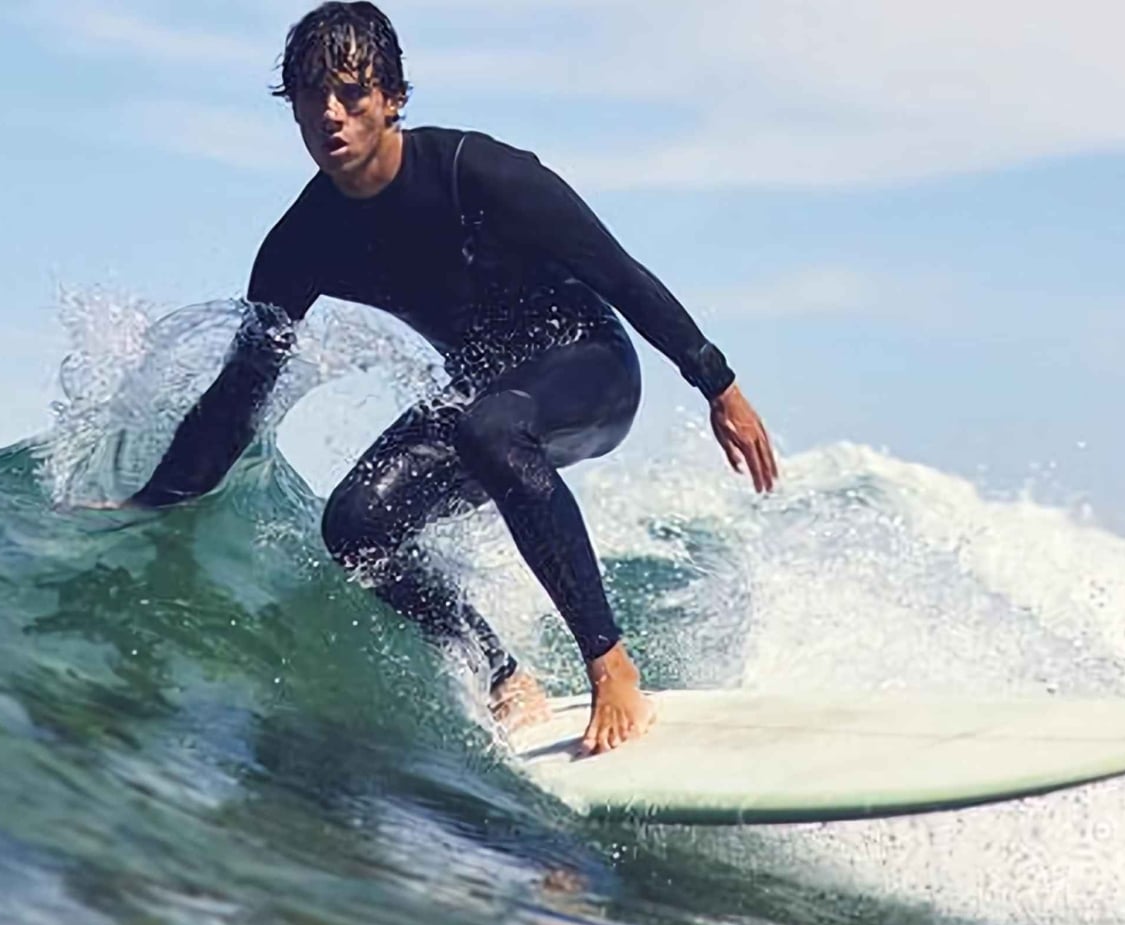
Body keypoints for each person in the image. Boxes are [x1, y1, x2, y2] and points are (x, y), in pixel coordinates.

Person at [117, 2, 778, 753]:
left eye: (352, 93)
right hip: (483, 401)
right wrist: (147, 504)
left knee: (489, 423)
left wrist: (717, 384)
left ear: (392, 98)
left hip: (588, 367)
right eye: (311, 96)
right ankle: (502, 671)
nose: (330, 114)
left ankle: (612, 665)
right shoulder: (303, 240)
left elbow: (618, 273)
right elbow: (240, 395)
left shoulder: (481, 173)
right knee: (357, 525)